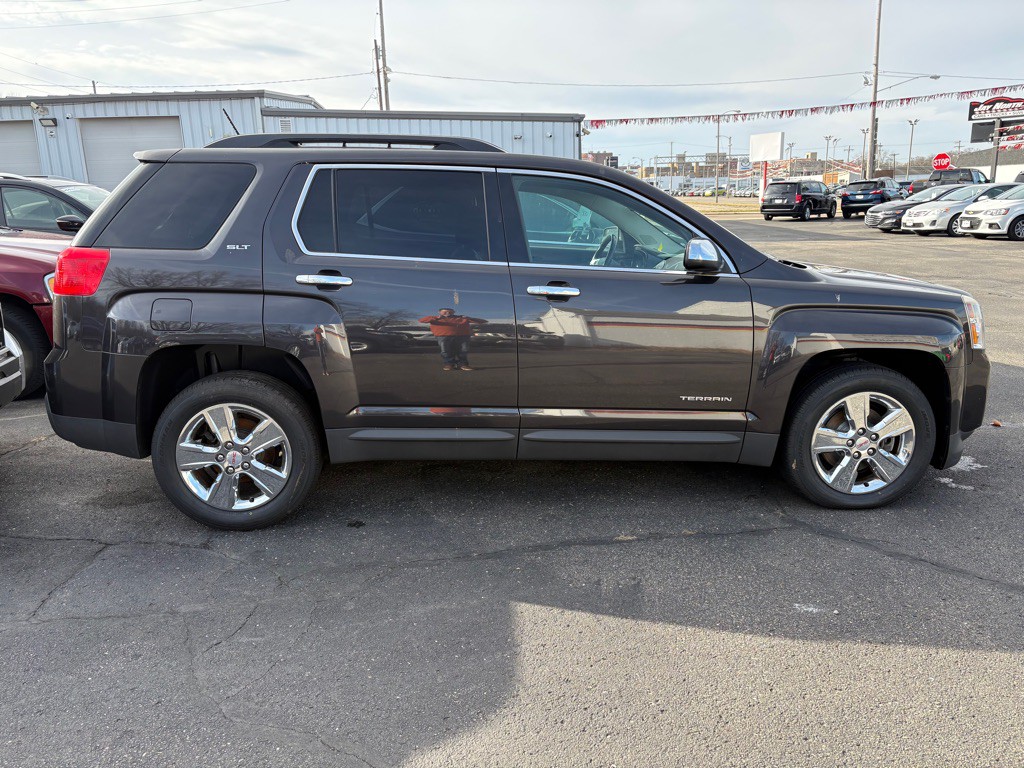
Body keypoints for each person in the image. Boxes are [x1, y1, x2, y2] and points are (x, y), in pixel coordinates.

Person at [418, 308, 486, 371]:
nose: (447, 313)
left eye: (450, 311)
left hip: (462, 336)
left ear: (453, 312)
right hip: (443, 336)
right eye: (445, 311)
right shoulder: (434, 318)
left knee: (463, 350)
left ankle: (463, 365)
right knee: (445, 351)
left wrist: (469, 318)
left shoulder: (461, 318)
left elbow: (483, 321)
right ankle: (449, 364)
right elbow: (421, 320)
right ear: (439, 312)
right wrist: (436, 317)